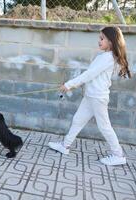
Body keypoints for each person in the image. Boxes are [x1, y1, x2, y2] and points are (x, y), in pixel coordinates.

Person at [48, 26, 131, 166]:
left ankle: (118, 155)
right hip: (91, 96)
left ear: (111, 41)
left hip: (98, 98)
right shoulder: (104, 56)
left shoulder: (107, 58)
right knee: (77, 120)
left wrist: (68, 85)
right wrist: (71, 85)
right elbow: (91, 77)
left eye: (102, 38)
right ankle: (65, 145)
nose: (99, 41)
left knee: (105, 127)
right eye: (99, 38)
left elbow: (88, 75)